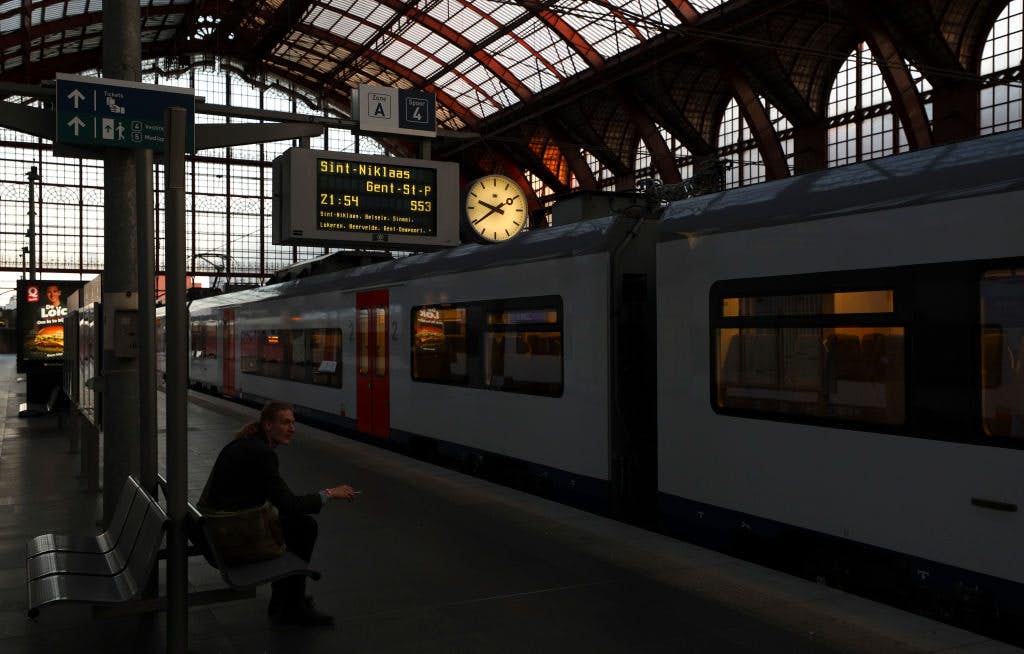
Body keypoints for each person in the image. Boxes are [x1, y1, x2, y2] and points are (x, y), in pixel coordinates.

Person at [199, 401, 357, 627]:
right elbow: (289, 504)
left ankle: (285, 599)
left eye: (293, 423)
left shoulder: (246, 444)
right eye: (285, 423)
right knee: (304, 527)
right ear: (268, 425)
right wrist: (330, 493)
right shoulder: (262, 453)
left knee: (297, 524)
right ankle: (292, 606)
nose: (292, 428)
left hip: (216, 528)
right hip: (230, 535)